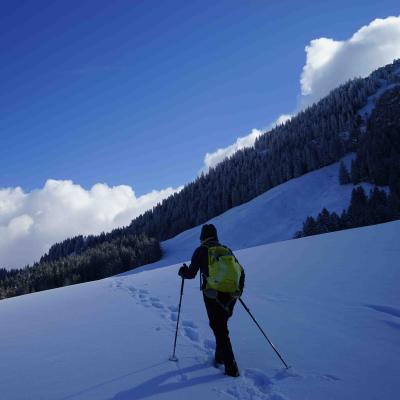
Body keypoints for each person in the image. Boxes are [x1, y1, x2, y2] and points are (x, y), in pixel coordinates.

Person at [178, 224, 245, 377]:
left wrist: (182, 272)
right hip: (230, 296)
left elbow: (191, 274)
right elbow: (241, 271)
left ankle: (231, 367)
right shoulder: (226, 250)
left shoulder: (201, 250)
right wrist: (238, 291)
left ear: (203, 236)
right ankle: (219, 357)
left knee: (218, 327)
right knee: (220, 325)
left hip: (212, 294)